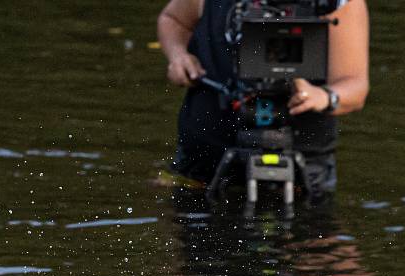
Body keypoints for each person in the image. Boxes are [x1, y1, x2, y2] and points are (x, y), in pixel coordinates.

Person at [157, 0, 369, 197]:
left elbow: (355, 86)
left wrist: (322, 97)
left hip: (300, 167)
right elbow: (173, 20)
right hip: (204, 161)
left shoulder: (334, 4)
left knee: (306, 232)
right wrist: (178, 56)